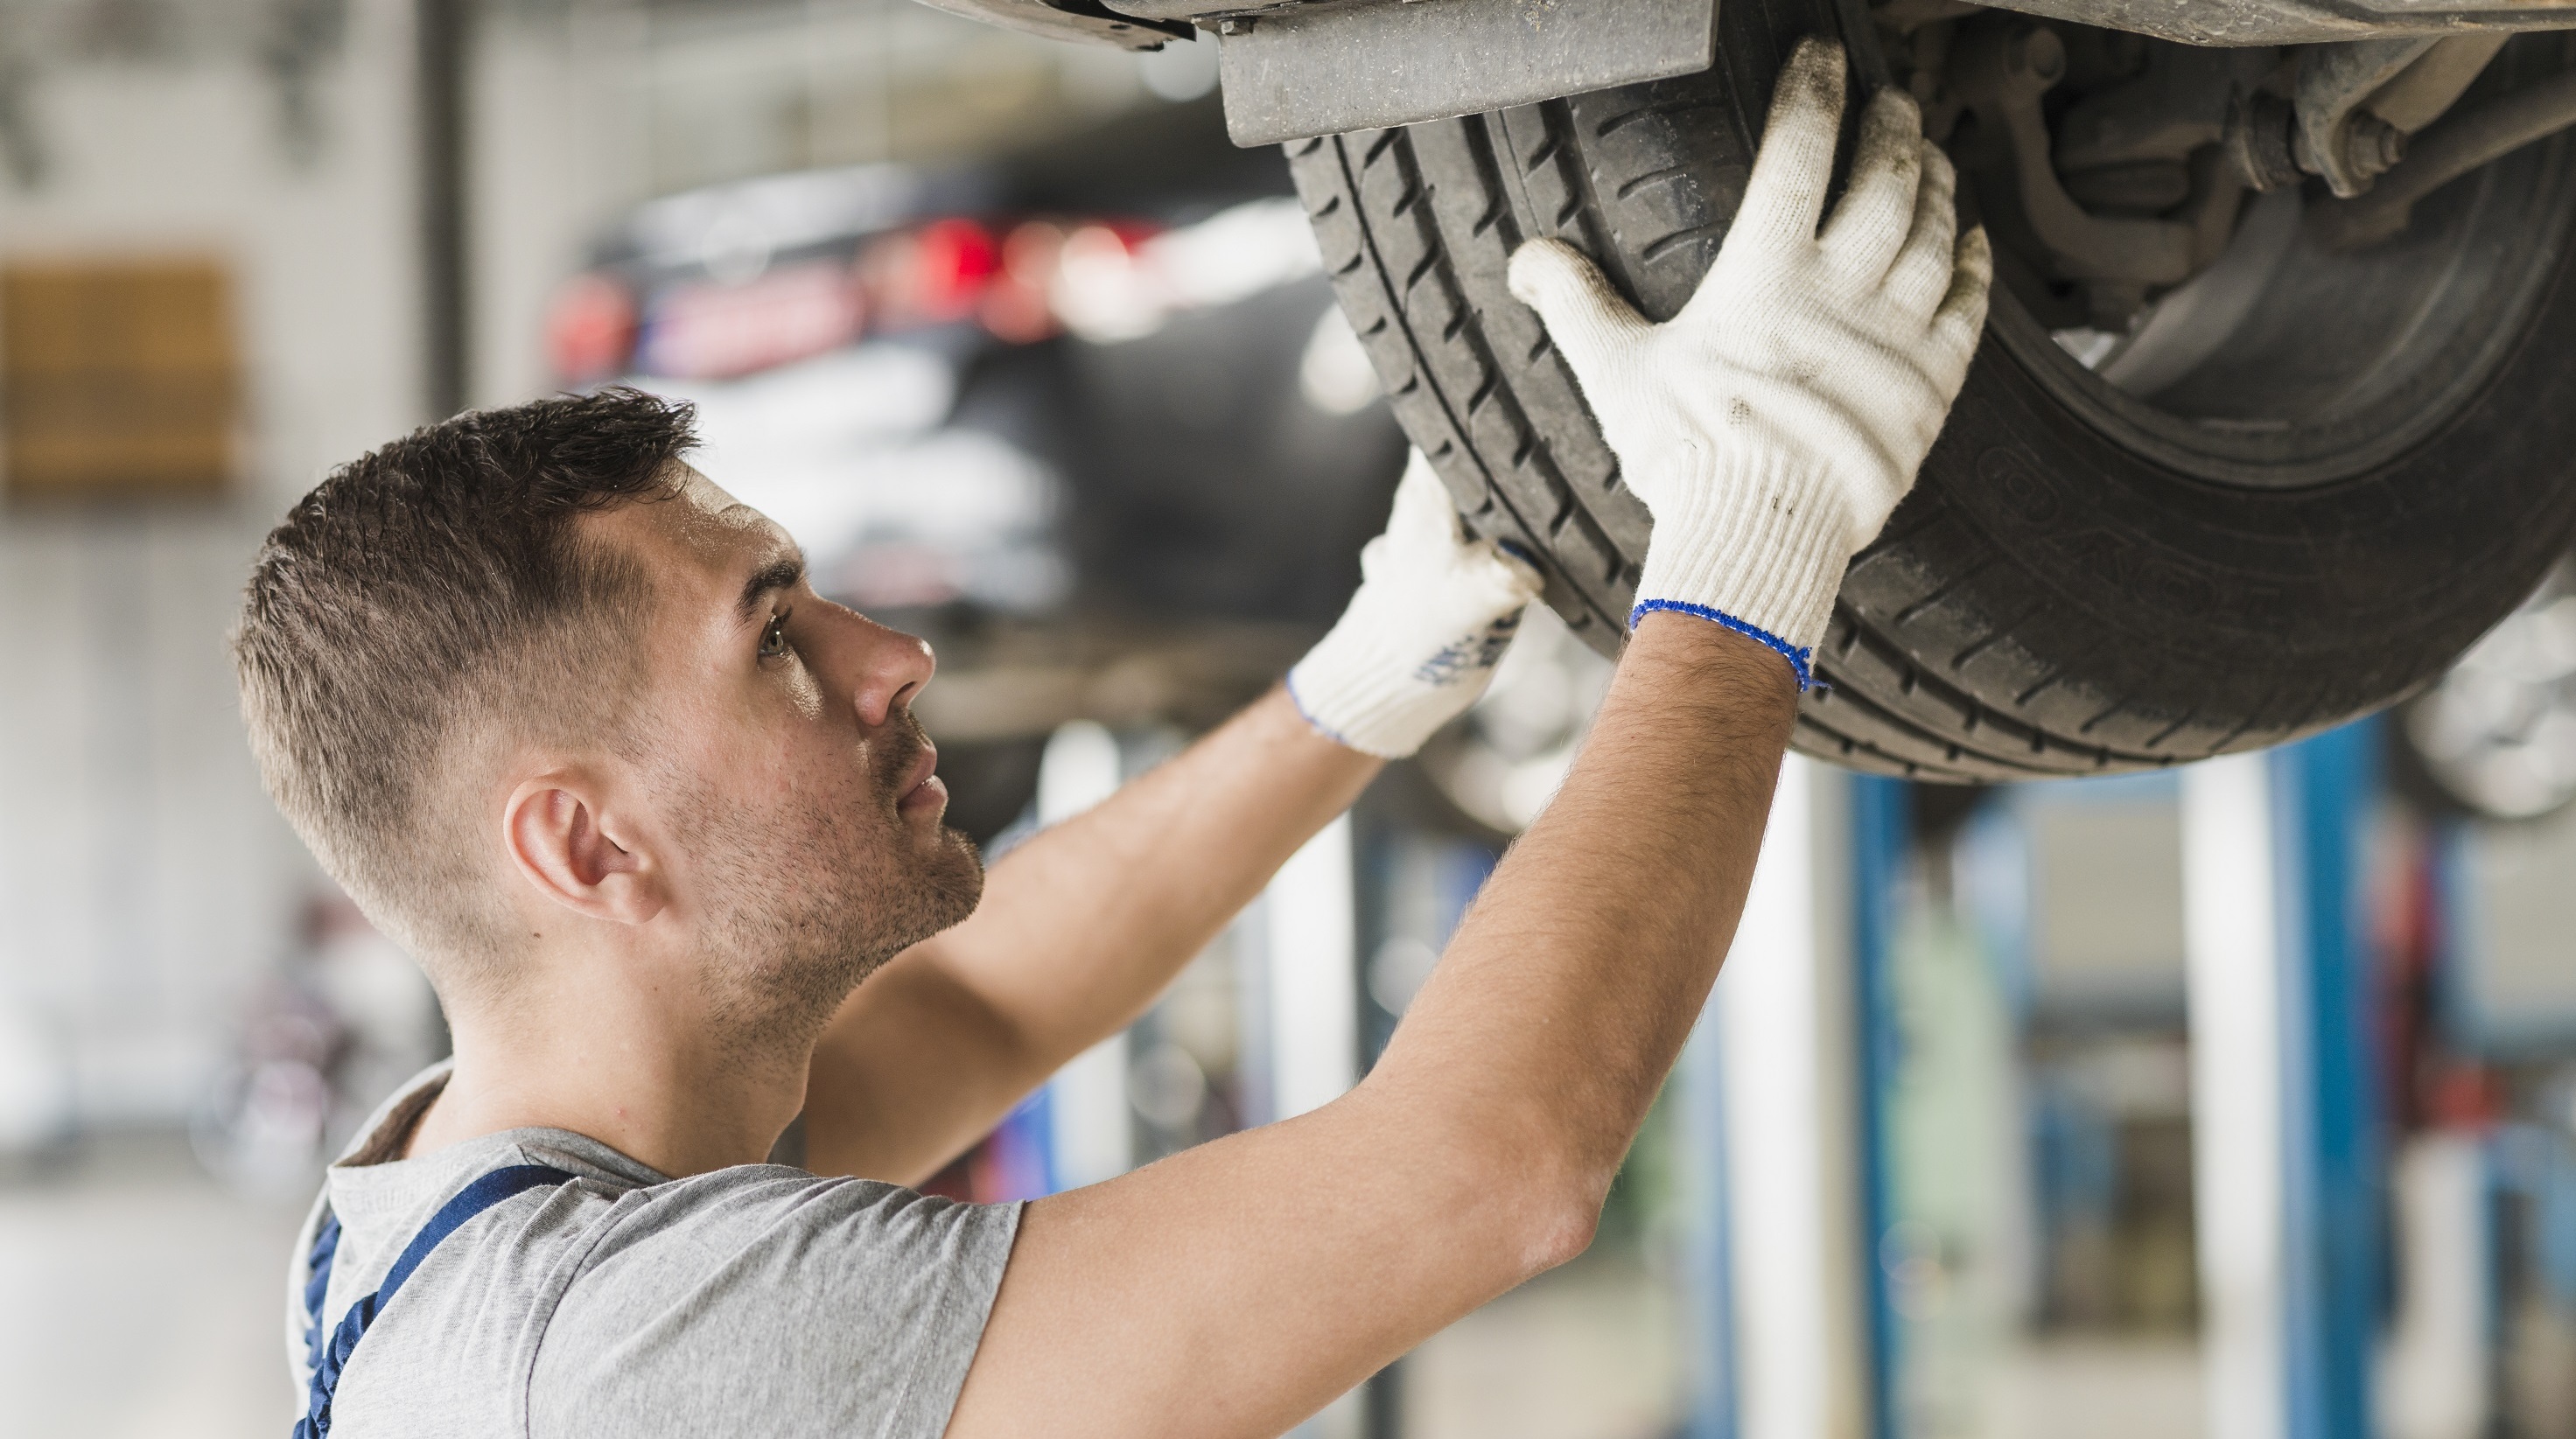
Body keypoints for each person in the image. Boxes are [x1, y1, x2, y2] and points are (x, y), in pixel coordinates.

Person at [236, 38, 1986, 1439]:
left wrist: (1352, 691)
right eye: (774, 639)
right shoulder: (616, 1370)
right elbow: (1487, 1169)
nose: (891, 654)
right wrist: (1753, 538)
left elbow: (978, 1004)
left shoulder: (469, 1200)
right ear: (585, 847)